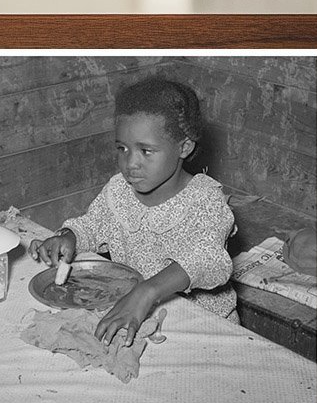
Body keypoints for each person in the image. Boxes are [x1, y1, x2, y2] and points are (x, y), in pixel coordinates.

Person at [28, 76, 236, 348]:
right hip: (136, 314)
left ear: (184, 147)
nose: (130, 163)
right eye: (122, 148)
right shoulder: (119, 191)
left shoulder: (205, 200)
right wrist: (69, 236)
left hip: (204, 330)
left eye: (146, 151)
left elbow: (209, 260)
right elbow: (92, 225)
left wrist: (146, 291)